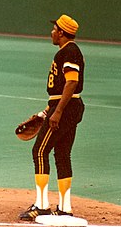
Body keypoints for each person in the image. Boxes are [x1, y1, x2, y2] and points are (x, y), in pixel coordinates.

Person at [19, 14, 85, 221]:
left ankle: (41, 205)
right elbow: (62, 90)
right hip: (67, 107)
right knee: (62, 154)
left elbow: (72, 83)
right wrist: (48, 111)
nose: (52, 32)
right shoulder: (67, 51)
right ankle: (65, 207)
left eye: (55, 29)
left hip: (65, 109)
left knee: (39, 150)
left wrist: (57, 112)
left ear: (62, 33)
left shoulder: (69, 51)